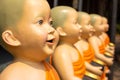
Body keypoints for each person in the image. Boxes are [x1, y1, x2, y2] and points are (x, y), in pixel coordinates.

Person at [0, 0, 60, 80]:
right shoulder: (14, 76)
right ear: (12, 38)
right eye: (40, 22)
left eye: (50, 23)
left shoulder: (46, 65)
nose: (52, 29)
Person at [51, 6, 85, 80]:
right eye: (75, 23)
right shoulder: (61, 52)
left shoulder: (73, 46)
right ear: (61, 31)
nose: (80, 26)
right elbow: (69, 78)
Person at [74, 12, 103, 80]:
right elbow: (82, 62)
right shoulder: (78, 44)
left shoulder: (87, 41)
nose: (91, 27)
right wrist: (93, 69)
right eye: (88, 24)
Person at [89, 14, 113, 80]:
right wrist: (106, 60)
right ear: (93, 27)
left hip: (101, 64)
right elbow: (96, 54)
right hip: (95, 65)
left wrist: (109, 50)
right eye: (101, 24)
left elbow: (103, 48)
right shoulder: (92, 39)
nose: (106, 25)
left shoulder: (99, 37)